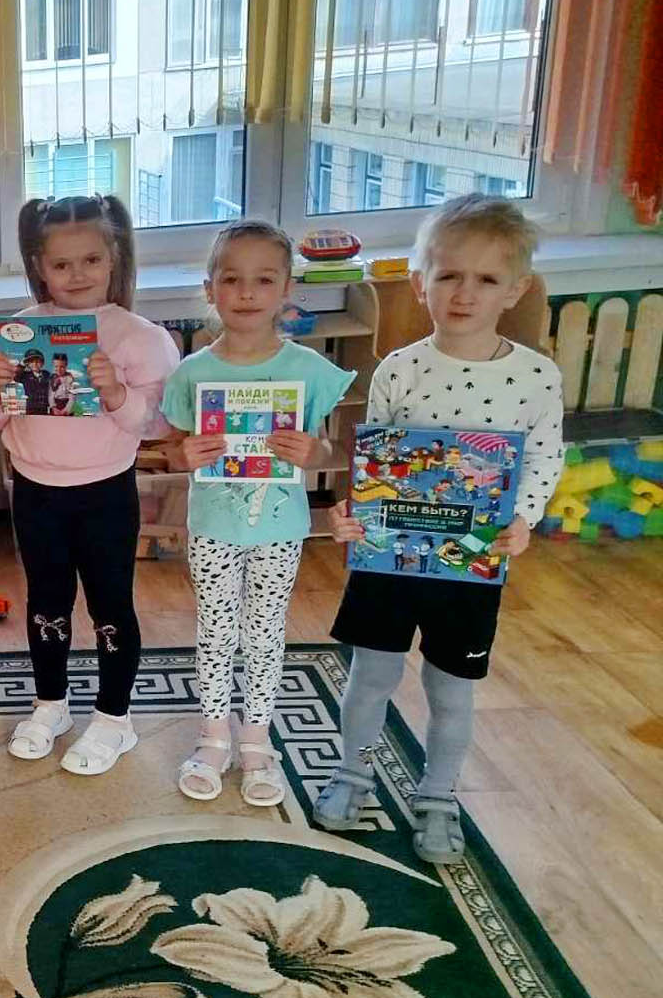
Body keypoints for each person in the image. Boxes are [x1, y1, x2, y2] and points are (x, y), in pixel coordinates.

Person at [315, 194, 564, 863]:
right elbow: (377, 459)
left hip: (471, 563)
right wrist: (351, 513)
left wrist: (524, 517)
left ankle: (438, 796)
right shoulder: (399, 367)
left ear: (515, 289)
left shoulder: (536, 377)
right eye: (449, 274)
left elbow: (545, 457)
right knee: (371, 675)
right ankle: (352, 775)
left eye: (486, 278)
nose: (464, 293)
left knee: (451, 689)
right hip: (389, 561)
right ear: (420, 280)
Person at [0, 195, 179, 775]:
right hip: (35, 492)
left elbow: (160, 425)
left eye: (91, 260)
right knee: (46, 602)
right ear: (40, 267)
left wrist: (115, 392)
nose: (77, 274)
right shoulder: (20, 331)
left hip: (105, 494)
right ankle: (51, 704)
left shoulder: (140, 337)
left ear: (113, 257)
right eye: (62, 264)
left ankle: (115, 717)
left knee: (110, 604)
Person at [160, 222, 354, 805]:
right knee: (216, 630)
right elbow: (173, 447)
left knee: (266, 631)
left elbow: (331, 450)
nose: (246, 292)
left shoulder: (308, 370)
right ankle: (213, 735)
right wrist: (184, 455)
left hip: (280, 527)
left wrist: (313, 452)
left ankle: (257, 737)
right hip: (213, 526)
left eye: (264, 280)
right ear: (210, 289)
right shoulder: (192, 371)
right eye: (231, 279)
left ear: (287, 288)